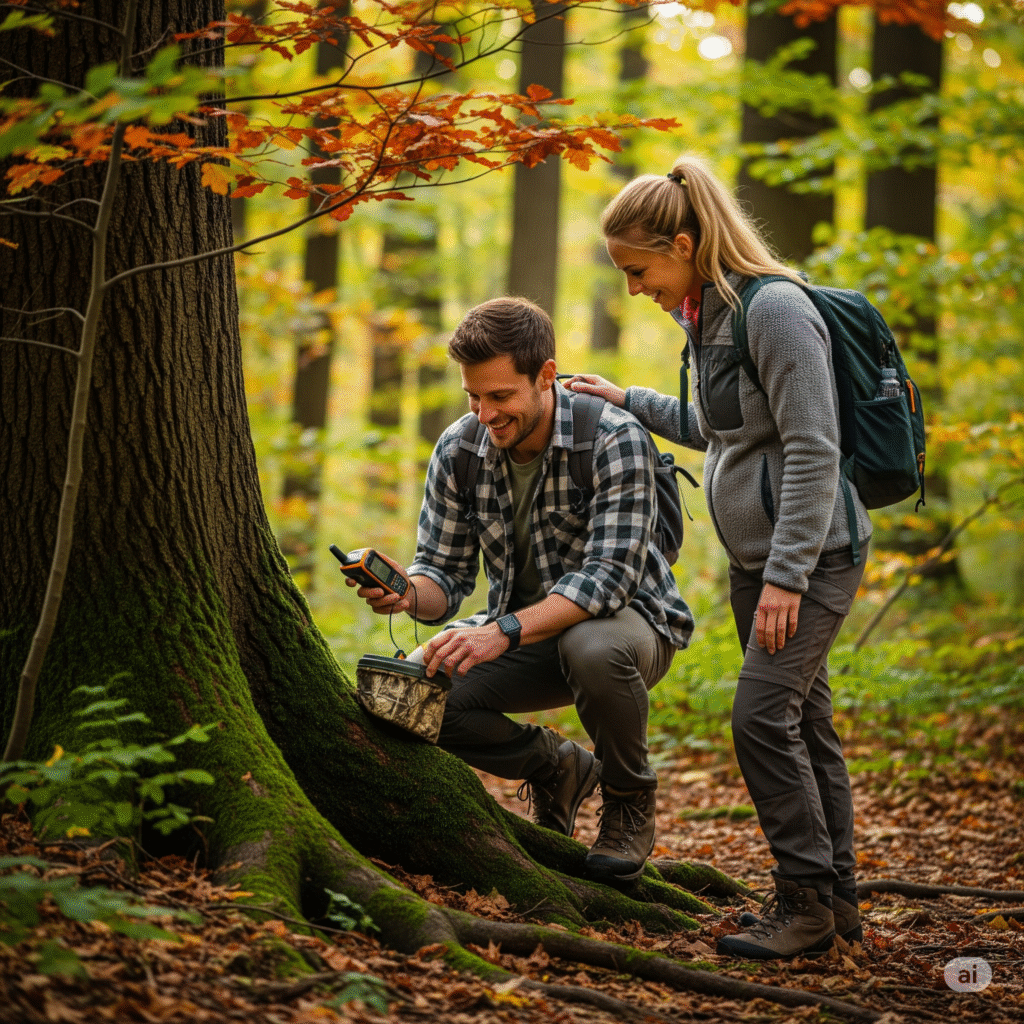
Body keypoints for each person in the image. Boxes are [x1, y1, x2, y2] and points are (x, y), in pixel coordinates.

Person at [564, 155, 871, 958]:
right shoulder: (709, 314)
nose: (634, 288)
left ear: (686, 241)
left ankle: (800, 902)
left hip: (812, 557)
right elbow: (720, 427)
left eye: (639, 269)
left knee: (761, 720)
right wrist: (625, 398)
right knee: (805, 722)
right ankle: (836, 903)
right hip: (761, 563)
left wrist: (785, 577)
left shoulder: (774, 311)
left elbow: (812, 446)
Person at [349, 296, 694, 882]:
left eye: (500, 396)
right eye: (473, 397)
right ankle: (554, 766)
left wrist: (500, 633)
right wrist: (407, 592)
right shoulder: (459, 449)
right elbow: (444, 575)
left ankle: (629, 799)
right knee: (409, 697)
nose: (484, 413)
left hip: (628, 630)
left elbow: (608, 582)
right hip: (518, 637)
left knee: (591, 644)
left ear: (546, 376)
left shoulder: (613, 437)